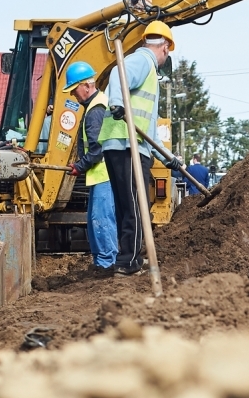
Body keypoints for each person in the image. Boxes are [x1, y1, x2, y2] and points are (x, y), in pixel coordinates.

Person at [98, 21, 175, 276]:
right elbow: (118, 75)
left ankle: (126, 258)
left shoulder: (148, 71)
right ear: (164, 47)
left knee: (126, 205)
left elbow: (149, 127)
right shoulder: (143, 61)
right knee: (135, 205)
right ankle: (128, 262)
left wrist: (169, 158)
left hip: (125, 143)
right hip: (126, 143)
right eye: (168, 51)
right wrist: (118, 103)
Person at [64, 61, 118, 277]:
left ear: (86, 85)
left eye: (74, 90)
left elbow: (97, 149)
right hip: (103, 172)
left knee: (101, 218)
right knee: (96, 218)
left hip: (103, 172)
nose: (74, 96)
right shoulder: (100, 104)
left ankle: (107, 264)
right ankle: (101, 261)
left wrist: (79, 166)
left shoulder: (95, 110)